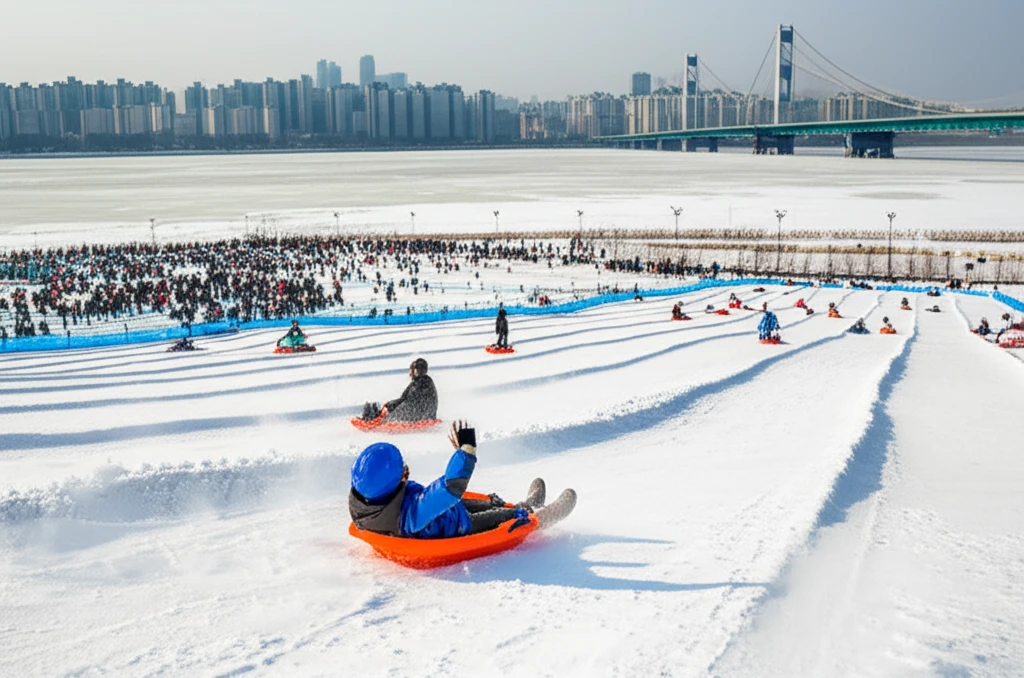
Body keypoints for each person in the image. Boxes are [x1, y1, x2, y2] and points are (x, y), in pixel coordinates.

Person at [349, 420, 547, 538]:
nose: (406, 468)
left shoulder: (369, 503)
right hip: (459, 526)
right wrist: (466, 451)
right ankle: (531, 513)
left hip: (443, 513)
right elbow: (451, 487)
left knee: (486, 503)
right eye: (402, 468)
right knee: (505, 516)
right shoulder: (412, 513)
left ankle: (512, 505)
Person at [363, 358, 439, 423]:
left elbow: (407, 402)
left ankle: (371, 419)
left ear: (416, 371)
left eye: (412, 370)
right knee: (388, 407)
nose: (410, 374)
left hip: (416, 418)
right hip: (427, 416)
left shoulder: (418, 384)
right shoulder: (427, 381)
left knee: (386, 414)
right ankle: (375, 414)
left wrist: (389, 407)